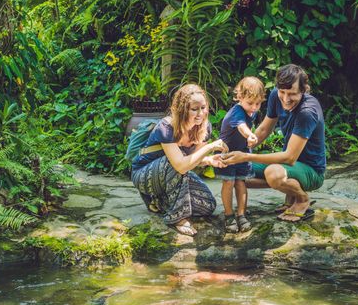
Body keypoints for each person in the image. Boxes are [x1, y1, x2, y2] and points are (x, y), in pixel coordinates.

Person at [222, 64, 326, 222]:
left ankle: (302, 199)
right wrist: (239, 150)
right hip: (288, 166)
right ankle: (290, 192)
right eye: (282, 92)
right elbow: (264, 130)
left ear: (304, 90)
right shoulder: (275, 96)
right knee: (235, 172)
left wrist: (245, 157)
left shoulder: (307, 111)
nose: (285, 99)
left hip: (311, 171)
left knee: (273, 174)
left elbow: (290, 158)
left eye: (292, 94)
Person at [131, 84, 228, 236]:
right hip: (144, 174)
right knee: (175, 165)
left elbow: (193, 160)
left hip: (174, 173)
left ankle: (159, 200)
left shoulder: (204, 127)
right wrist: (209, 148)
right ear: (183, 109)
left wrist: (208, 160)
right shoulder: (167, 126)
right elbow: (180, 166)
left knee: (208, 205)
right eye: (194, 109)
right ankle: (177, 217)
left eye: (203, 107)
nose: (200, 113)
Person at [214, 76, 264, 232]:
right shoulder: (237, 111)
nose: (254, 107)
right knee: (228, 182)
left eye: (258, 103)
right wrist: (250, 135)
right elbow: (242, 126)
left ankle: (241, 214)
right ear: (239, 97)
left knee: (241, 182)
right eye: (250, 103)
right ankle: (229, 215)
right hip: (227, 154)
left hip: (242, 153)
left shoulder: (252, 111)